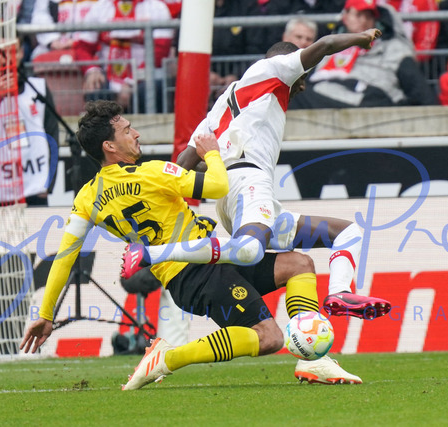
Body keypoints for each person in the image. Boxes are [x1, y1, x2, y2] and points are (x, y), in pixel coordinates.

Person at [21, 100, 363, 389]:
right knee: (269, 337)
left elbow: (64, 257)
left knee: (299, 264)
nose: (136, 134)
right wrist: (211, 154)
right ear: (109, 146)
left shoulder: (87, 198)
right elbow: (216, 186)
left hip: (206, 261)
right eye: (126, 130)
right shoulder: (153, 173)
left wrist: (46, 314)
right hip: (195, 273)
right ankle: (168, 357)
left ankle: (313, 359)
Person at [123, 30, 393, 320]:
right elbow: (325, 44)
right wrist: (361, 38)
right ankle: (153, 255)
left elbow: (184, 161)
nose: (302, 86)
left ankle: (339, 292)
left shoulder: (222, 103)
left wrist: (219, 165)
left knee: (347, 233)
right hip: (250, 183)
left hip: (231, 193)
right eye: (302, 77)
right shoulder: (273, 68)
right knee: (250, 250)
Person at [288, 0, 437, 109]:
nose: (364, 21)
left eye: (369, 16)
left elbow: (422, 94)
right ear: (345, 16)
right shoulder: (329, 46)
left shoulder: (394, 49)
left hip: (370, 101)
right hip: (324, 98)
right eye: (359, 15)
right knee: (290, 94)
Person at [0, 37, 60, 206]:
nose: (7, 58)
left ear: (22, 53)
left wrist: (49, 183)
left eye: (13, 52)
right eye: (1, 52)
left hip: (33, 189)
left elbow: (53, 136)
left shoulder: (38, 88)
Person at [74, 0, 174, 113]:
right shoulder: (100, 7)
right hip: (108, 75)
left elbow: (159, 52)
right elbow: (82, 47)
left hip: (145, 76)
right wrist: (92, 70)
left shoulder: (157, 8)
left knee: (150, 90)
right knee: (95, 88)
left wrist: (131, 82)